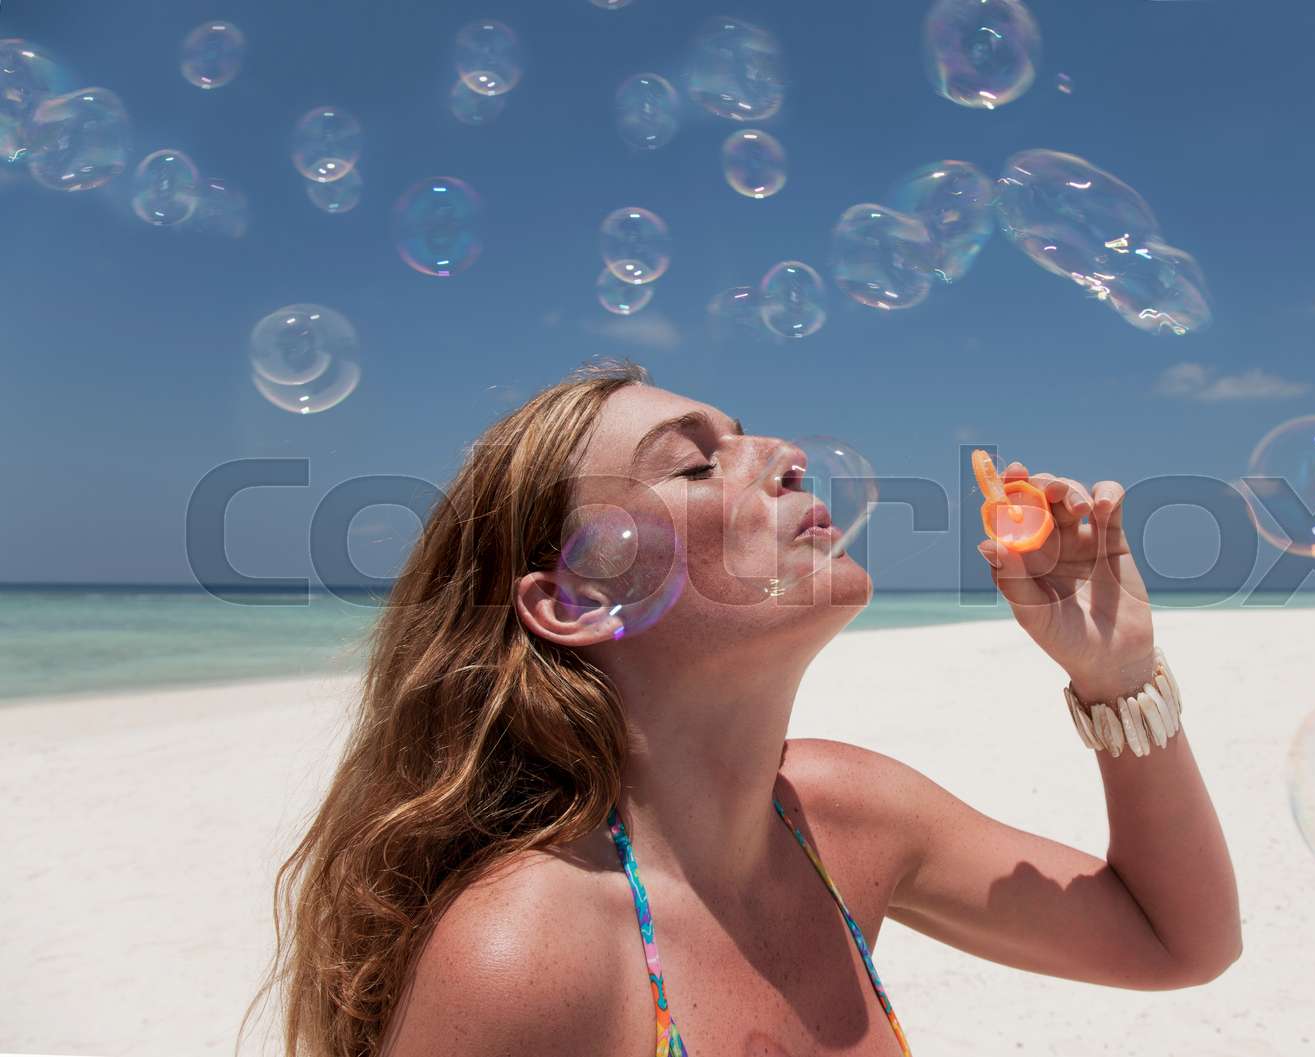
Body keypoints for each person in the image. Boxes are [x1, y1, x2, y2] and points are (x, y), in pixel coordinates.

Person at [245, 359, 1240, 1057]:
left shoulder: (842, 815)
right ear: (579, 599)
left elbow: (1176, 939)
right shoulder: (529, 956)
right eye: (692, 463)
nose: (785, 453)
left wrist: (1116, 670)